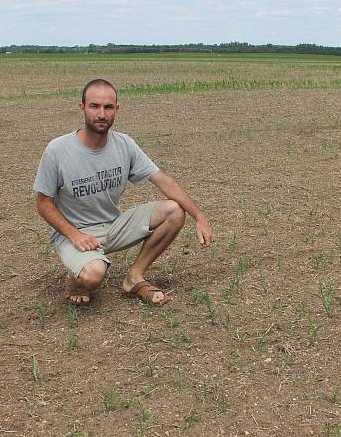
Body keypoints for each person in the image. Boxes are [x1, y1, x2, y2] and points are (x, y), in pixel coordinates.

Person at [33, 78, 213, 306]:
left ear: (117, 109)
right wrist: (75, 235)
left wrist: (199, 216)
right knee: (93, 275)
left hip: (113, 225)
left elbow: (163, 181)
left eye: (108, 107)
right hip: (75, 233)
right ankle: (77, 279)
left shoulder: (124, 145)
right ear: (82, 108)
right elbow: (43, 204)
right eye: (94, 106)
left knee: (175, 211)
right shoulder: (57, 150)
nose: (101, 114)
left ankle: (134, 278)